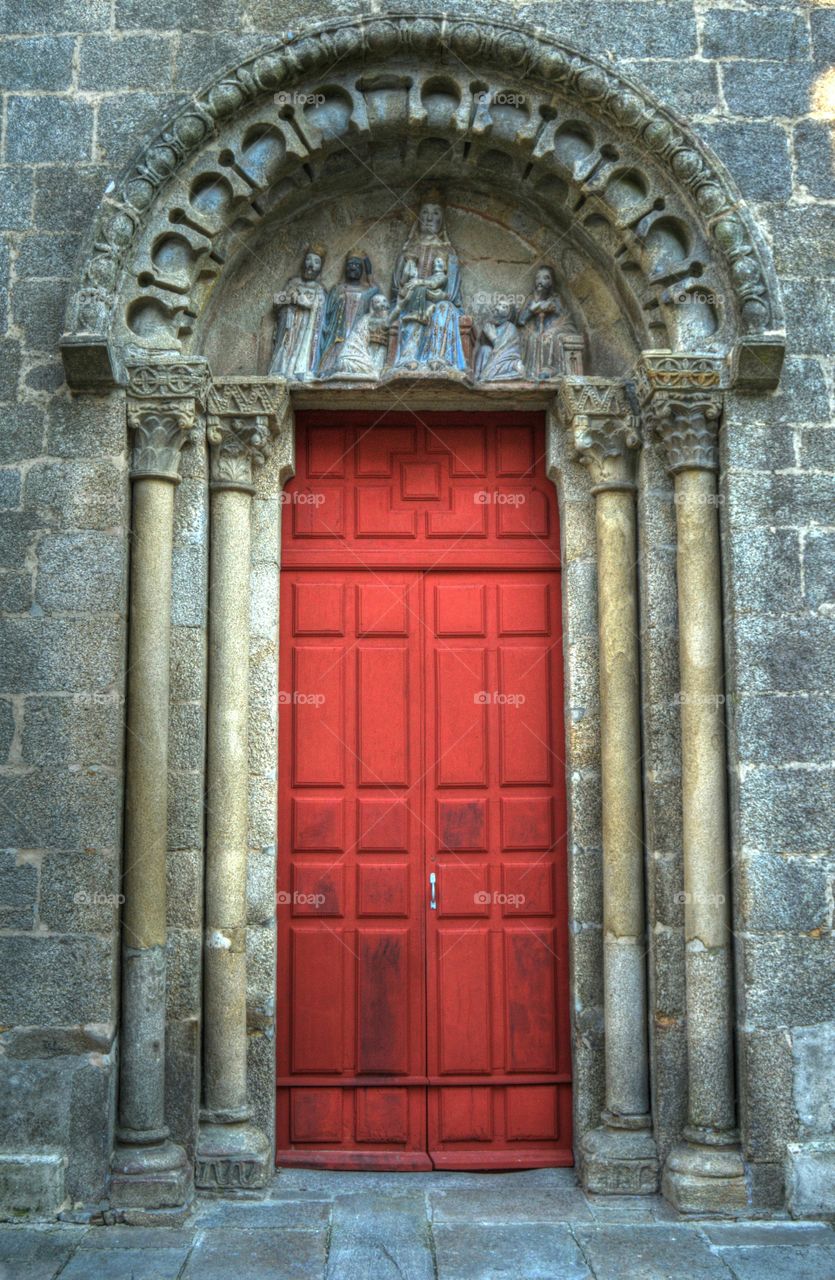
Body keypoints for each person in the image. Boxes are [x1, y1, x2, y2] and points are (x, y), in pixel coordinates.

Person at [390, 197, 467, 373]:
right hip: (410, 299)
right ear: (418, 218)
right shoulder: (407, 251)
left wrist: (432, 295)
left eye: (435, 213)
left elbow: (452, 294)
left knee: (444, 309)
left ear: (442, 220)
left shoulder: (448, 252)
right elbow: (397, 288)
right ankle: (407, 358)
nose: (429, 218)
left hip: (439, 300)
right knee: (412, 307)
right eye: (425, 212)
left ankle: (438, 357)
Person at [315, 251, 381, 377]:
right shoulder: (337, 289)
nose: (353, 267)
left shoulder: (367, 290)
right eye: (350, 264)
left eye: (357, 265)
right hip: (338, 332)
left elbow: (375, 291)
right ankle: (328, 370)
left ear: (362, 270)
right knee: (335, 353)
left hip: (358, 333)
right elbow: (327, 312)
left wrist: (369, 268)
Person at [268, 245, 327, 380]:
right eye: (308, 260)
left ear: (321, 268)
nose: (311, 265)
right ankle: (280, 370)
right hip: (289, 324)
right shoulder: (293, 283)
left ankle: (300, 371)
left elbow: (320, 311)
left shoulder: (319, 289)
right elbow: (277, 301)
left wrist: (304, 302)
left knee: (301, 349)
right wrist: (289, 298)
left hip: (307, 328)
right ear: (303, 263)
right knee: (286, 345)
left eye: (316, 262)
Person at [518, 265, 578, 379]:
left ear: (551, 282)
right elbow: (521, 320)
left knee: (548, 335)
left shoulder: (556, 297)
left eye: (546, 278)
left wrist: (549, 307)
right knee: (532, 337)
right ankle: (532, 372)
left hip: (561, 326)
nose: (540, 281)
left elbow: (562, 314)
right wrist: (532, 309)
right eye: (538, 278)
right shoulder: (531, 298)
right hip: (538, 329)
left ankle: (551, 368)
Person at [474, 298, 527, 381]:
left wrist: (493, 337)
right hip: (492, 359)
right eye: (498, 305)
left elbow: (505, 348)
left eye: (504, 307)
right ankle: (477, 376)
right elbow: (483, 343)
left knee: (518, 367)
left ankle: (489, 375)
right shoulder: (489, 326)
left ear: (509, 315)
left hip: (505, 359)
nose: (499, 307)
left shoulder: (510, 327)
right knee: (484, 349)